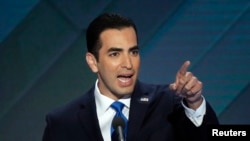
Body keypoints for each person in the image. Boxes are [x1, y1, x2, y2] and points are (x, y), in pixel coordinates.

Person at [42, 13, 219, 141]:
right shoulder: (62, 123)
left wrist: (194, 103)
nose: (128, 63)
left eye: (133, 52)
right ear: (93, 62)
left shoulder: (169, 103)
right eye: (114, 54)